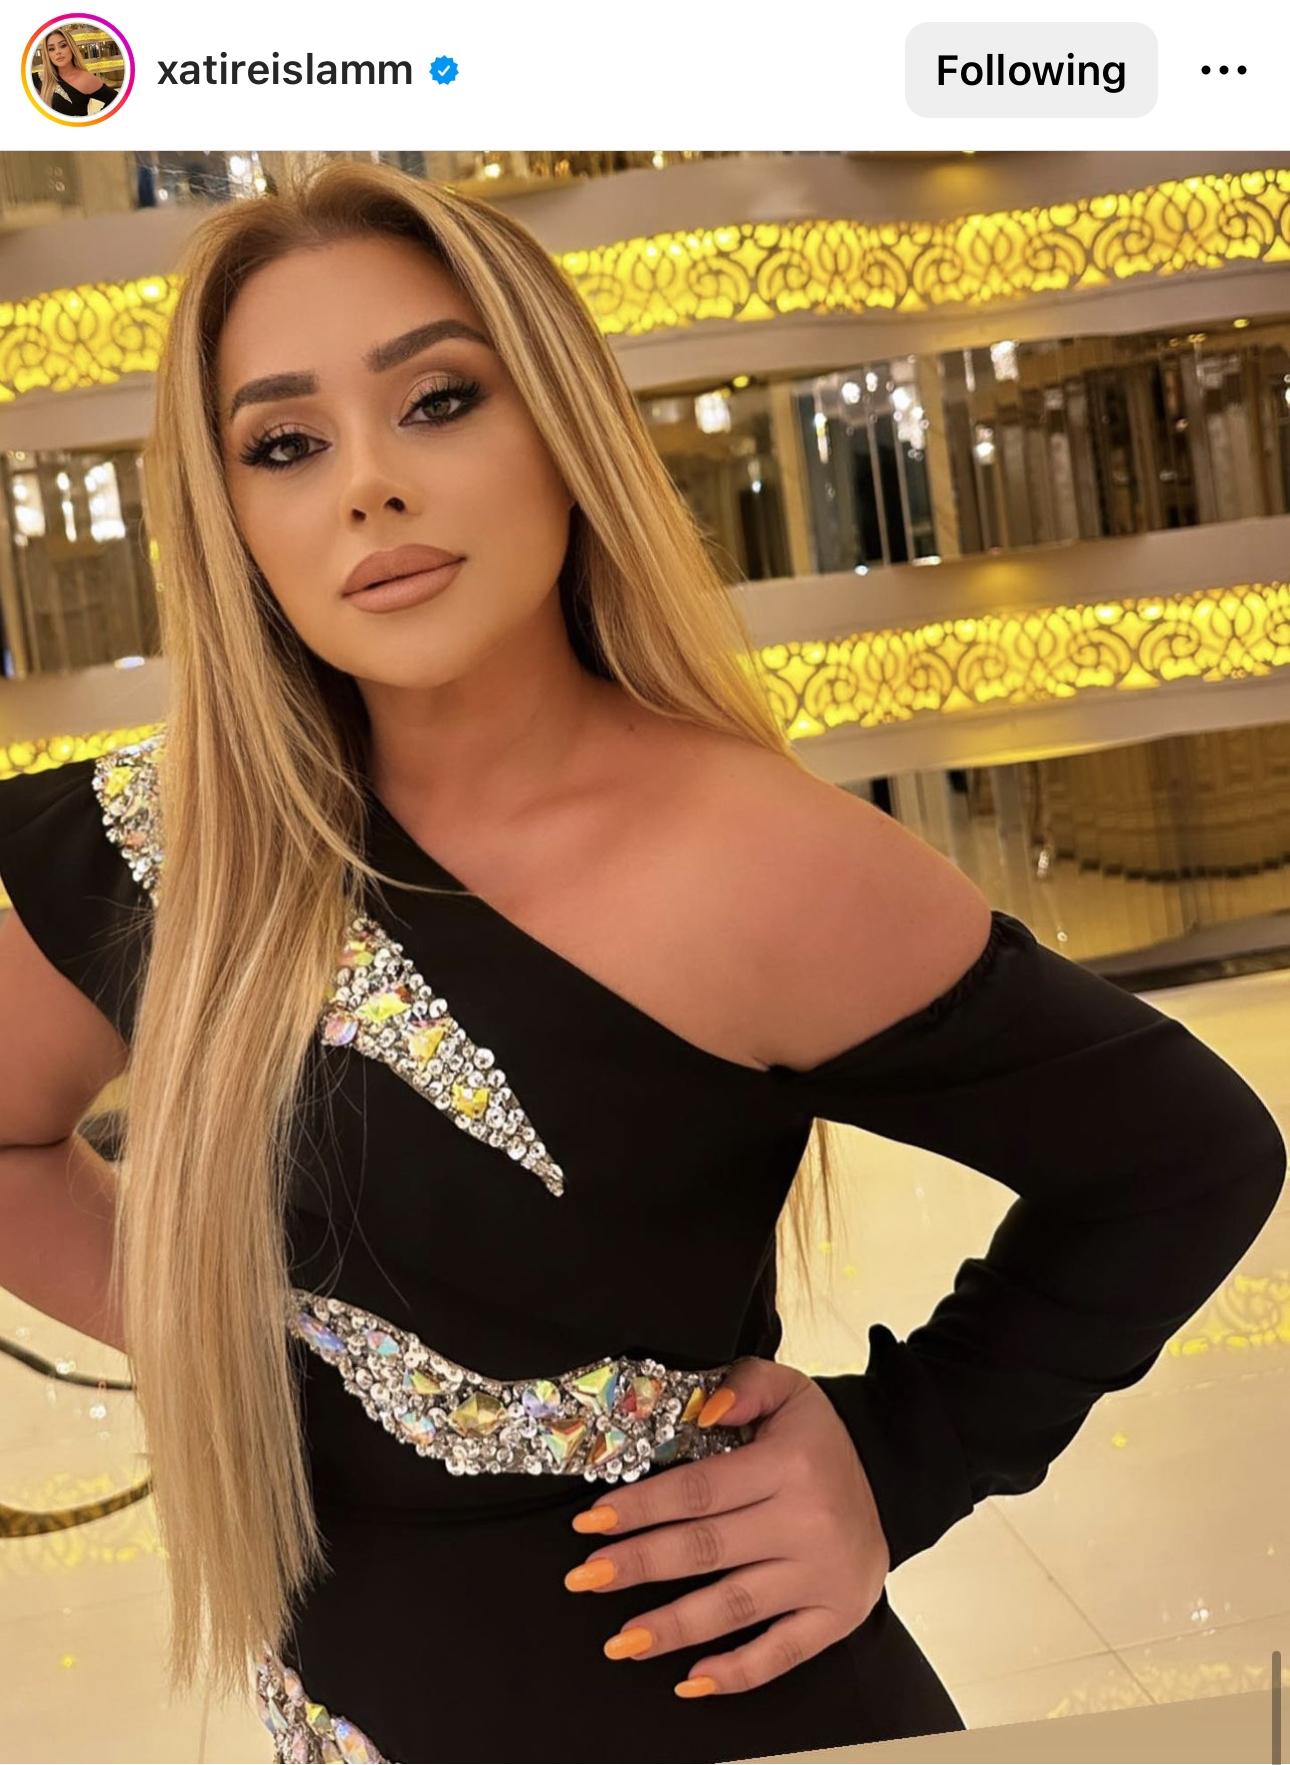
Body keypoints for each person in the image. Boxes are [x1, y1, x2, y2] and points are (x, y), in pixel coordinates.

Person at [0, 160, 1283, 1765]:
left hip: (703, 1706)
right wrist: (247, 1346)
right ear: (229, 520)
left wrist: (902, 1454)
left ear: (559, 426)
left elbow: (1183, 1158)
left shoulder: (753, 860)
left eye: (439, 402)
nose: (368, 487)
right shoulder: (167, 846)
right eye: (285, 444)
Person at [32, 27, 118, 118]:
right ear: (47, 54)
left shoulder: (86, 79)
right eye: (51, 49)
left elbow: (115, 100)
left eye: (63, 45)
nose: (58, 52)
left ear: (71, 48)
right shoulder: (38, 78)